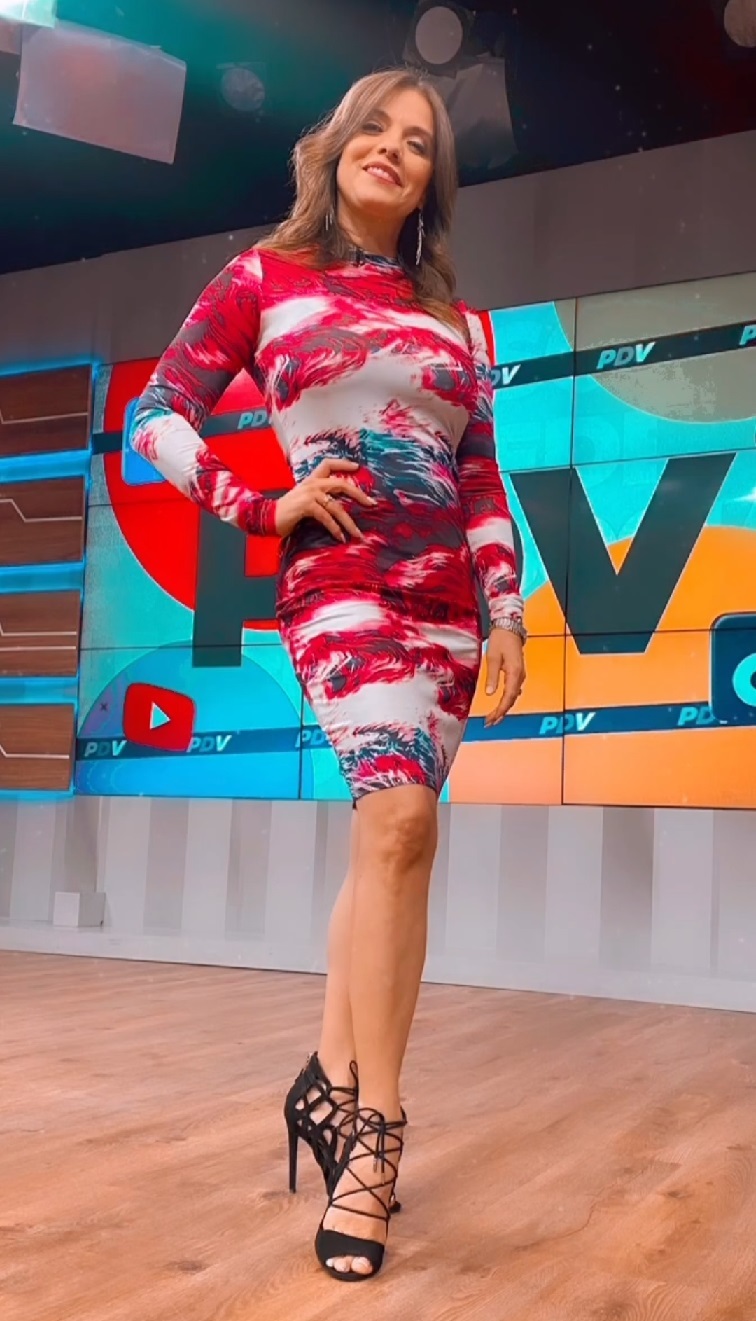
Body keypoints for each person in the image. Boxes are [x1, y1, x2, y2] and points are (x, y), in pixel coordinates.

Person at [131, 65, 526, 1284]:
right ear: (339, 142)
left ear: (431, 184)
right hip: (341, 589)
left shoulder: (460, 325)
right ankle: (376, 1137)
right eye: (377, 127)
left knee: (385, 843)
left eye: (420, 141)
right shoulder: (264, 279)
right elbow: (159, 414)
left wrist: (507, 610)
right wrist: (262, 504)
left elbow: (476, 474)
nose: (394, 148)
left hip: (448, 609)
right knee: (401, 821)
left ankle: (327, 1075)